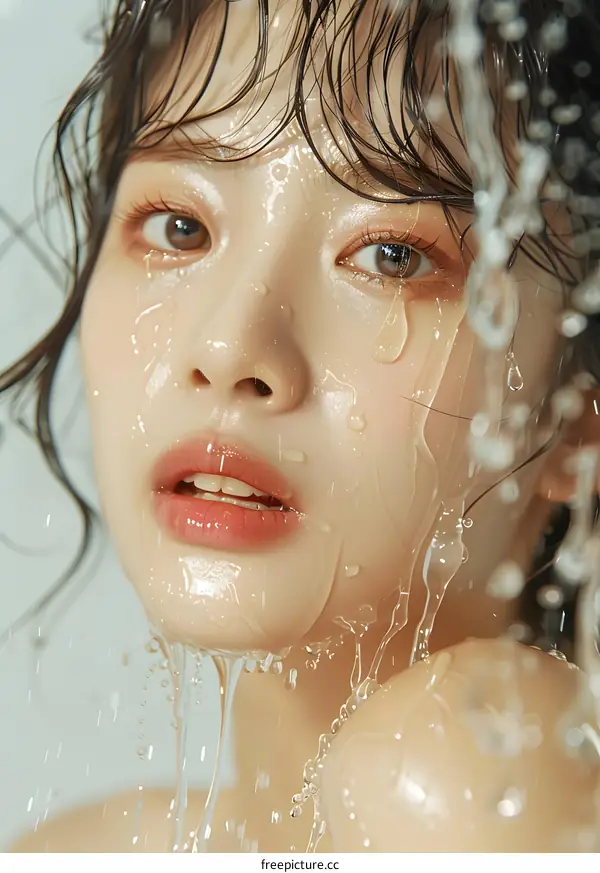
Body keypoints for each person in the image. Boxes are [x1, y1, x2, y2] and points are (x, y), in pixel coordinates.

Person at [4, 0, 600, 852]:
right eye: (181, 226)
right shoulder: (77, 848)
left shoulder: (469, 781)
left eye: (392, 254)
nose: (228, 345)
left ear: (579, 415)